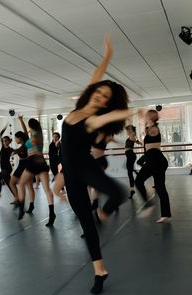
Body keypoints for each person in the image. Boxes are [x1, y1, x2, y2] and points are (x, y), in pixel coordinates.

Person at [61, 36, 135, 294]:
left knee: (119, 192)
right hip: (70, 174)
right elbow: (96, 75)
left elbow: (115, 114)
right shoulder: (79, 107)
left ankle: (103, 213)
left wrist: (127, 112)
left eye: (105, 97)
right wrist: (107, 56)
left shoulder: (93, 120)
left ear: (105, 103)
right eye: (100, 91)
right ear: (94, 93)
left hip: (86, 168)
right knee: (86, 224)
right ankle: (99, 270)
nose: (101, 95)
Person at [17, 116, 56, 226]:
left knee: (21, 185)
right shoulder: (36, 133)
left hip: (33, 161)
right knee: (47, 189)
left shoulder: (35, 136)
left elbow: (33, 141)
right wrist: (21, 121)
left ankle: (21, 208)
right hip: (42, 162)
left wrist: (34, 145)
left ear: (30, 126)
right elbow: (26, 133)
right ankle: (52, 213)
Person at [135, 110, 172, 223]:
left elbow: (152, 132)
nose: (145, 118)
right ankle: (165, 214)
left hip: (155, 160)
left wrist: (145, 120)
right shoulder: (150, 128)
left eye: (147, 116)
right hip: (157, 160)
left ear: (150, 117)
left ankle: (149, 205)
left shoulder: (154, 129)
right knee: (160, 188)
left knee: (138, 181)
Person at [9, 130, 29, 207]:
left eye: (16, 138)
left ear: (20, 138)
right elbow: (17, 151)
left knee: (14, 183)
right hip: (22, 166)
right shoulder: (23, 146)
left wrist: (14, 152)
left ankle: (19, 200)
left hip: (24, 166)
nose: (15, 140)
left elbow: (18, 151)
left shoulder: (25, 145)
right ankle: (18, 199)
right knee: (14, 183)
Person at [0, 125, 13, 202]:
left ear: (9, 141)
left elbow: (18, 152)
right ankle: (17, 197)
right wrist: (5, 127)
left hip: (7, 168)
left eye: (6, 141)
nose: (5, 142)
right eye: (4, 141)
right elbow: (0, 135)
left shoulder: (10, 149)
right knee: (9, 184)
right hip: (3, 168)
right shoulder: (2, 147)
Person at [125, 125, 142, 198]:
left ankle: (132, 190)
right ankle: (132, 189)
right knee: (129, 172)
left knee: (129, 173)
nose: (127, 131)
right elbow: (136, 141)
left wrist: (139, 142)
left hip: (131, 155)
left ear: (131, 130)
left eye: (128, 130)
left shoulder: (132, 135)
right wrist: (139, 142)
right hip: (130, 156)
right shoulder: (131, 136)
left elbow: (134, 138)